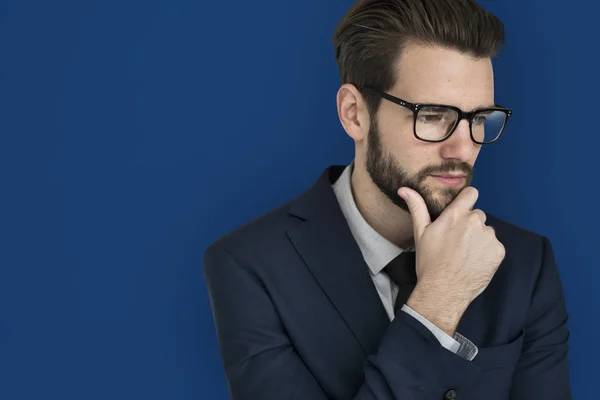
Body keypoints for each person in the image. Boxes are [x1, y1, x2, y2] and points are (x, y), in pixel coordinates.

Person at [203, 0, 572, 398]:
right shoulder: (251, 265)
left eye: (479, 118)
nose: (463, 148)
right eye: (432, 115)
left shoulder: (525, 263)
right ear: (354, 113)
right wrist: (436, 305)